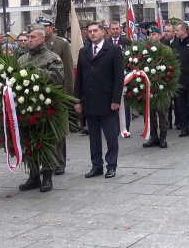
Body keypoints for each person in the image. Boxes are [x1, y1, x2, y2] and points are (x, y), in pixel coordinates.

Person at [17, 23, 64, 192]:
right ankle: (33, 175)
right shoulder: (22, 59)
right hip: (25, 109)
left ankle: (47, 176)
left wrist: (37, 71)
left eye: (33, 37)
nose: (29, 40)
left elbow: (58, 79)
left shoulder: (52, 57)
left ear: (42, 38)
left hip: (45, 109)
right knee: (29, 141)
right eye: (28, 37)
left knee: (46, 142)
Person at [74, 21, 124, 179]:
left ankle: (111, 165)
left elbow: (118, 77)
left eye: (95, 30)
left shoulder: (113, 50)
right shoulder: (84, 51)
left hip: (107, 99)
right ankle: (96, 165)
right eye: (90, 31)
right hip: (89, 99)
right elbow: (79, 78)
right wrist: (77, 100)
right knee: (93, 136)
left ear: (103, 32)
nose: (92, 33)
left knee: (110, 135)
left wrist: (115, 99)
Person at [36, 16, 74, 175]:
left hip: (57, 93)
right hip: (38, 95)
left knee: (58, 130)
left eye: (44, 26)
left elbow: (68, 71)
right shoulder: (35, 44)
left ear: (51, 27)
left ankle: (59, 162)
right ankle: (44, 161)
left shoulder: (61, 44)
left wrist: (68, 96)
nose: (41, 29)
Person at [142, 26, 171, 148]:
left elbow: (170, 68)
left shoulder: (166, 49)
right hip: (148, 87)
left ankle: (163, 137)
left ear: (160, 36)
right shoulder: (144, 50)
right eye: (150, 35)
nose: (152, 36)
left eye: (154, 34)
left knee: (163, 113)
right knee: (149, 113)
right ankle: (153, 136)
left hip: (162, 86)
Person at [106, 21, 132, 136]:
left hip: (125, 73)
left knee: (125, 102)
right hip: (110, 75)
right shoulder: (106, 42)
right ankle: (115, 127)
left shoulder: (126, 41)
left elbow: (132, 56)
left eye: (117, 29)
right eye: (113, 29)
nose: (115, 31)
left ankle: (125, 127)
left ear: (121, 30)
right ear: (109, 30)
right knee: (114, 102)